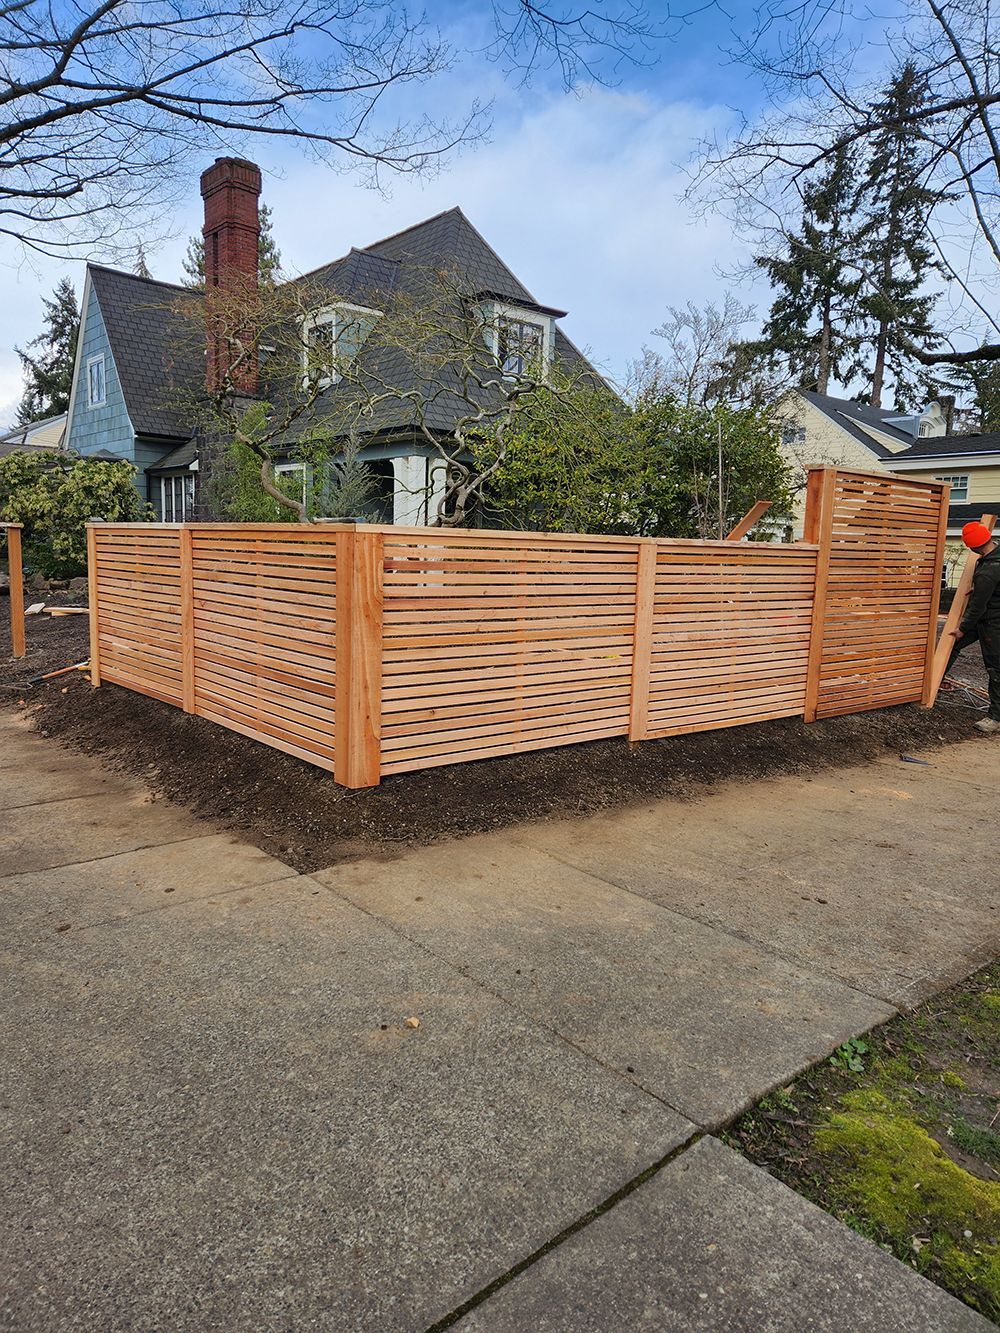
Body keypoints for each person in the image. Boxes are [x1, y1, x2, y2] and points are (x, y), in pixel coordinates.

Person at [947, 521, 1000, 733]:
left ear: (973, 547)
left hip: (993, 623)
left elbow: (978, 607)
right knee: (951, 646)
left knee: (995, 668)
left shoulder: (989, 570)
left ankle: (995, 717)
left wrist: (962, 628)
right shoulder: (993, 556)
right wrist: (980, 588)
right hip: (985, 617)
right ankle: (935, 683)